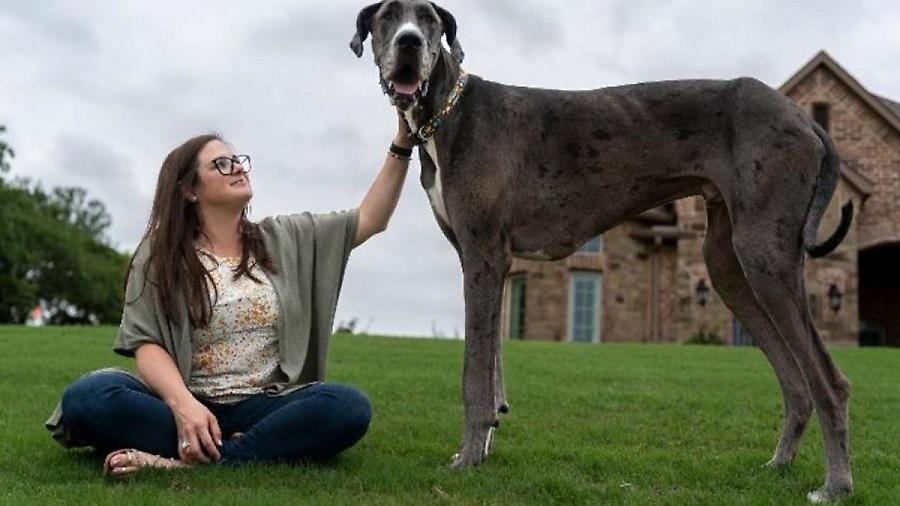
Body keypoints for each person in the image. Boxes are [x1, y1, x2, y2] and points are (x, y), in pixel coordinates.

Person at [45, 114, 415, 476]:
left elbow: (370, 218)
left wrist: (402, 143)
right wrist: (184, 405)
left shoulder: (285, 238)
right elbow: (146, 344)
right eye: (221, 165)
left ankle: (193, 461)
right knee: (88, 397)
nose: (238, 168)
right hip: (185, 404)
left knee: (347, 407)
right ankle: (236, 447)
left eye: (238, 161)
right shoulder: (160, 254)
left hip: (264, 405)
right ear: (189, 190)